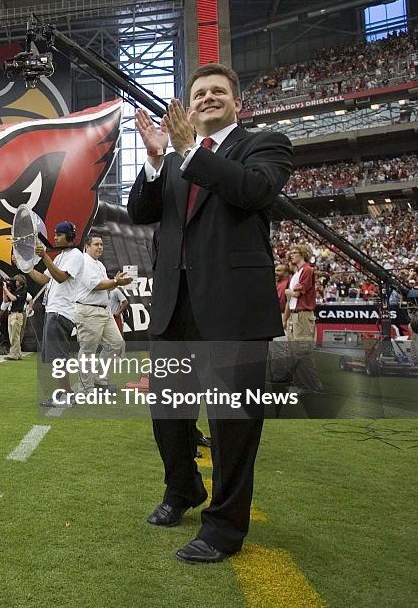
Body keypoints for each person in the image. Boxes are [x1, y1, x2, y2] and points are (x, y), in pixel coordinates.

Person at [128, 63, 292, 564]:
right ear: (188, 104)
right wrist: (156, 159)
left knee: (231, 424)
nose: (208, 98)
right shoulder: (176, 159)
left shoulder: (265, 144)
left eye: (219, 91)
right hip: (174, 306)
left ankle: (224, 528)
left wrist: (187, 151)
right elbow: (141, 212)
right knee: (169, 417)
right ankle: (183, 491)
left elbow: (254, 191)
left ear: (237, 102)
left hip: (233, 309)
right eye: (199, 93)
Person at [26, 221, 85, 405]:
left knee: (58, 358)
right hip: (55, 310)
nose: (55, 237)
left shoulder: (75, 255)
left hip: (61, 311)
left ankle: (65, 395)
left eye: (59, 234)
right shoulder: (60, 257)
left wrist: (45, 257)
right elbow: (44, 279)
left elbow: (60, 278)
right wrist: (26, 268)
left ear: (69, 237)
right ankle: (65, 393)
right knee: (56, 358)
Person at [74, 236, 132, 391]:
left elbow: (107, 287)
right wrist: (115, 282)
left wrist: (119, 282)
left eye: (101, 244)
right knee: (88, 350)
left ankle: (99, 379)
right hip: (88, 310)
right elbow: (94, 285)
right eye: (96, 244)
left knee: (116, 343)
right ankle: (86, 388)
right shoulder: (84, 262)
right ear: (87, 246)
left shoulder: (99, 264)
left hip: (104, 310)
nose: (100, 247)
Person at [285, 245, 322, 393]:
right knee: (295, 351)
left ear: (303, 254)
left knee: (303, 351)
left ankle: (311, 385)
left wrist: (288, 291)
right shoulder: (298, 272)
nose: (292, 255)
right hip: (296, 314)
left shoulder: (306, 270)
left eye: (295, 253)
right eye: (291, 252)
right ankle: (302, 384)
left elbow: (296, 294)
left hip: (302, 314)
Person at [3, 275, 30, 360]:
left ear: (22, 282)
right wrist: (4, 289)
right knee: (13, 335)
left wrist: (6, 289)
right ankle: (18, 353)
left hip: (17, 315)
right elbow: (6, 300)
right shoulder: (15, 291)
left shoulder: (23, 291)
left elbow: (13, 298)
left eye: (17, 280)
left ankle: (14, 354)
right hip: (11, 314)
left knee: (15, 336)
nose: (15, 281)